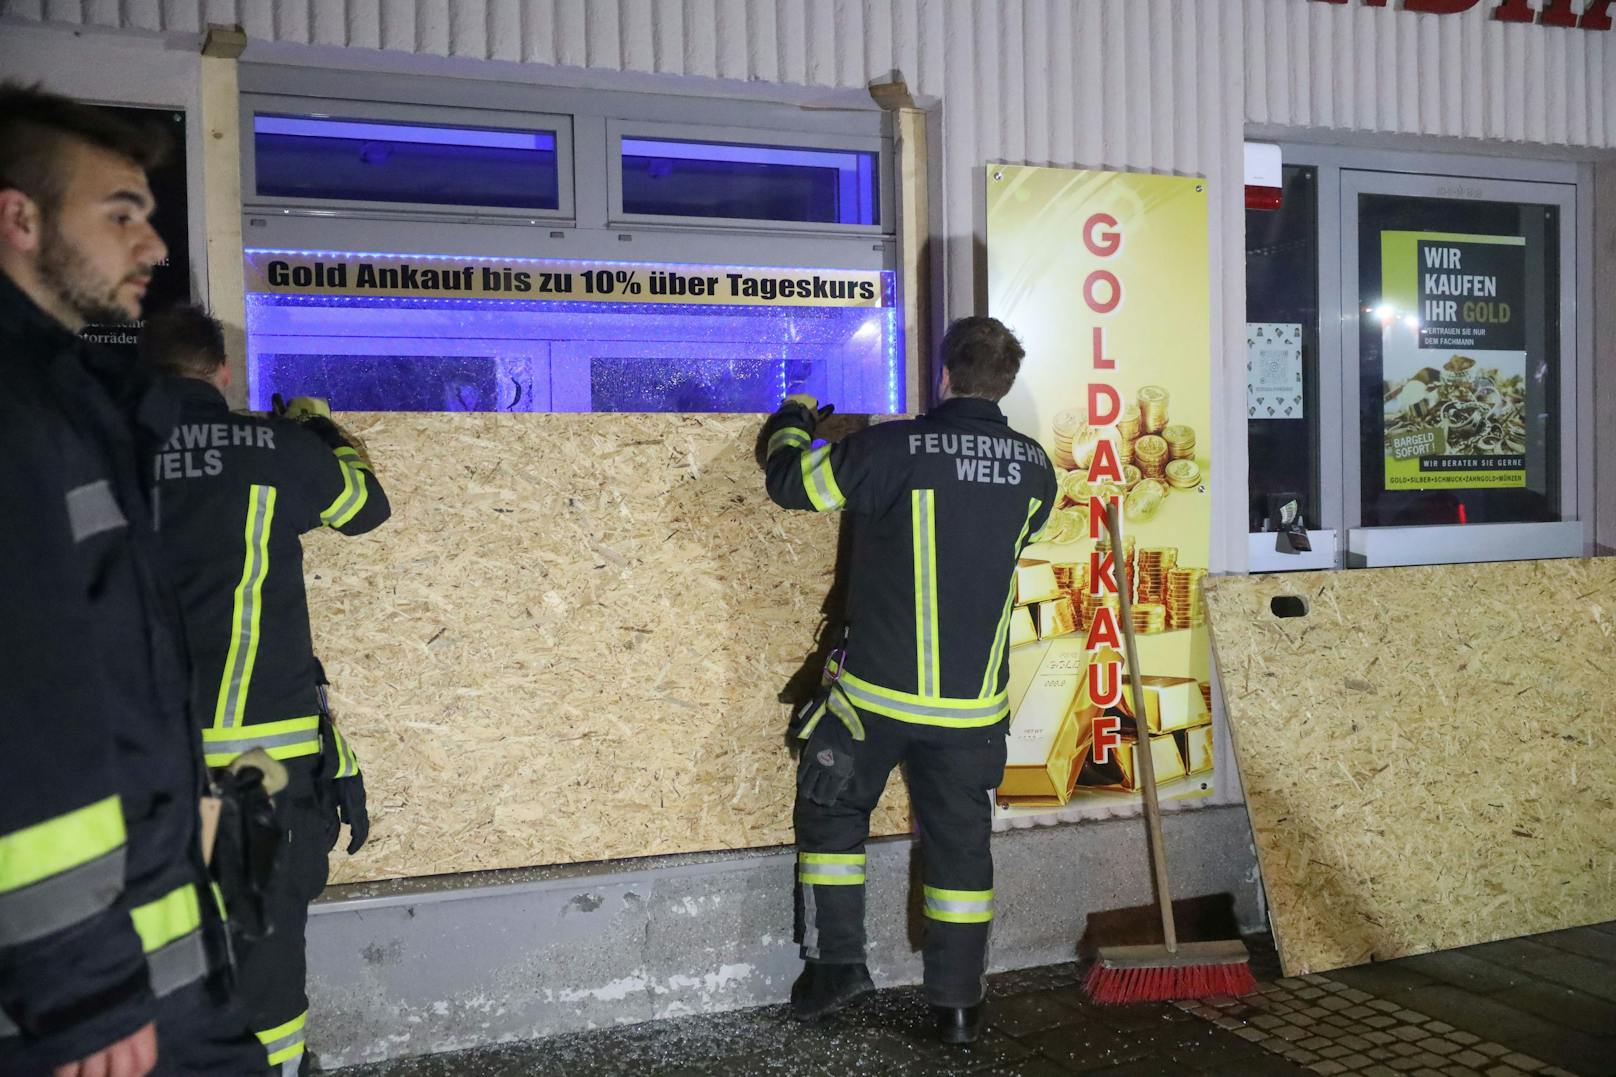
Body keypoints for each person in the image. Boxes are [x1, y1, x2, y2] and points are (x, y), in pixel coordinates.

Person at [0, 82, 265, 1076]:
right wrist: (83, 986)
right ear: (18, 218)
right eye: (120, 215)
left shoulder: (64, 396)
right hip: (84, 995)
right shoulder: (19, 415)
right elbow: (25, 703)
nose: (152, 247)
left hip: (127, 963)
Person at [760, 316, 1057, 1044]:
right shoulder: (1035, 468)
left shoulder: (889, 448)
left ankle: (837, 966)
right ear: (1005, 382)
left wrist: (795, 417)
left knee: (831, 812)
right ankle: (958, 1007)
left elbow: (791, 484)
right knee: (961, 847)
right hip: (972, 707)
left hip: (874, 697)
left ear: (943, 375)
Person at [138, 304, 389, 1076]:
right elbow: (364, 506)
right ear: (223, 374)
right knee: (262, 934)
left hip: (143, 757)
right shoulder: (272, 446)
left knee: (157, 932)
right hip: (258, 757)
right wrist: (318, 427)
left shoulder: (102, 450)